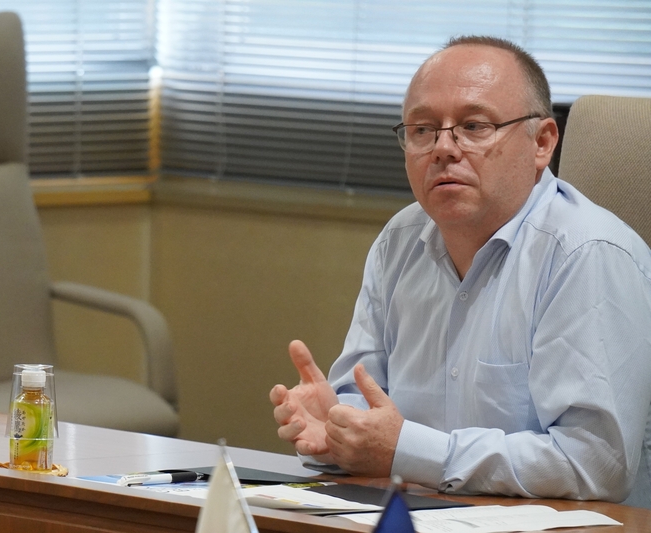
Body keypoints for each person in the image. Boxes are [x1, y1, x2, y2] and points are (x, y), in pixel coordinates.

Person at [270, 35, 651, 507]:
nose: (444, 149)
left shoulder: (586, 253)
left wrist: (405, 450)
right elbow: (368, 408)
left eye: (474, 126)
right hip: (418, 515)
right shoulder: (400, 240)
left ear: (543, 142)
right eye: (423, 130)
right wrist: (338, 429)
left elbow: (595, 464)